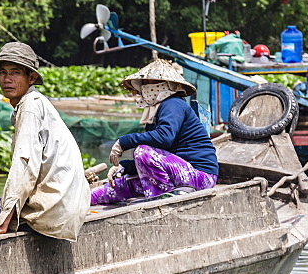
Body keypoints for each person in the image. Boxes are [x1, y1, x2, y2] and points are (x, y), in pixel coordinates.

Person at [0, 42, 90, 241]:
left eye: (15, 72)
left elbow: (25, 168)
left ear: (31, 78)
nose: (7, 79)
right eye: (3, 72)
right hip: (64, 206)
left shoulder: (30, 107)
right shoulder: (35, 102)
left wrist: (2, 223)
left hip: (51, 211)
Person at [91, 59, 218, 206]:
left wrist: (124, 141)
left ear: (167, 85)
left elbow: (164, 138)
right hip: (175, 174)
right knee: (111, 189)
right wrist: (124, 166)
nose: (145, 88)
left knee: (142, 152)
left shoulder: (173, 104)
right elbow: (161, 158)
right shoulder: (155, 112)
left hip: (200, 176)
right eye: (144, 84)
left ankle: (161, 200)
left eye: (150, 83)